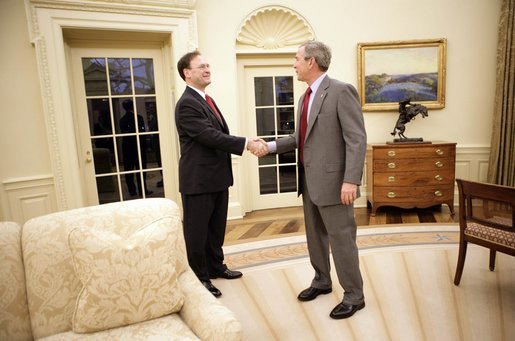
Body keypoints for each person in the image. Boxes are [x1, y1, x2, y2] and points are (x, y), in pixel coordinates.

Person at [265, 41, 367, 319]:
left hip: (336, 183)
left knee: (342, 239)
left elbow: (356, 139)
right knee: (315, 238)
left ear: (311, 62)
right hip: (309, 182)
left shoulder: (341, 91)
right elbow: (300, 139)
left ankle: (354, 296)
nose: (294, 64)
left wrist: (351, 181)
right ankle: (322, 281)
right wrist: (270, 146)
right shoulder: (304, 98)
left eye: (297, 59)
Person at [175, 51, 266, 297]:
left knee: (215, 229)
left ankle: (215, 267)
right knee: (196, 233)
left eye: (208, 65)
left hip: (216, 178)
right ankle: (199, 278)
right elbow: (209, 136)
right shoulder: (186, 104)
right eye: (201, 66)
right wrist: (247, 142)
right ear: (187, 72)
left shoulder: (206, 99)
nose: (207, 69)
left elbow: (216, 135)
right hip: (198, 181)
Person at [119, 99, 152, 197]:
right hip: (138, 147)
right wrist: (145, 147)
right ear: (132, 106)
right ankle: (143, 190)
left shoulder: (122, 120)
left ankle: (132, 191)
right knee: (141, 169)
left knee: (129, 170)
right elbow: (142, 134)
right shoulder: (138, 118)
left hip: (127, 148)